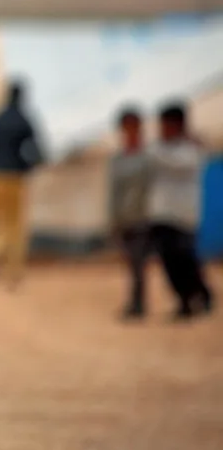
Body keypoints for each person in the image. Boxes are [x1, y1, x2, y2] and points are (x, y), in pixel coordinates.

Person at [148, 102, 213, 320]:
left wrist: (156, 150)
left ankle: (201, 295)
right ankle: (184, 300)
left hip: (183, 215)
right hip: (161, 213)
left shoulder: (190, 149)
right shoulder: (160, 147)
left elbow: (178, 164)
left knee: (186, 259)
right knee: (169, 262)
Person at [0, 81, 43, 288]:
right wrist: (27, 166)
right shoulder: (24, 120)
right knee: (15, 225)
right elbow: (37, 150)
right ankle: (13, 273)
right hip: (15, 176)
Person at [107, 107, 153, 320]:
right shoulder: (118, 160)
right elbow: (114, 192)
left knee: (138, 261)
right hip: (125, 217)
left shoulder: (150, 157)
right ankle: (137, 302)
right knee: (133, 262)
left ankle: (138, 303)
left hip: (145, 216)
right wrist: (114, 218)